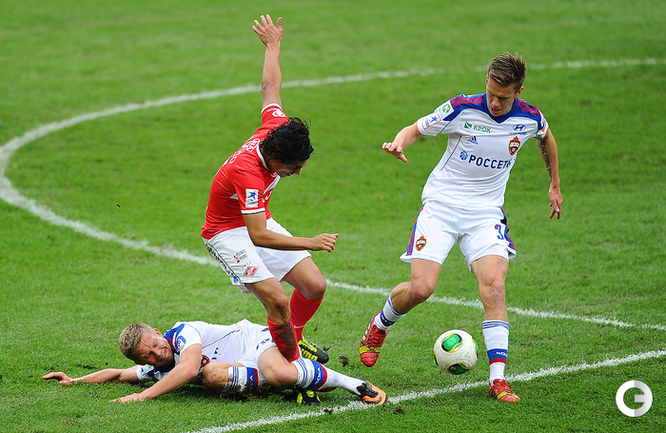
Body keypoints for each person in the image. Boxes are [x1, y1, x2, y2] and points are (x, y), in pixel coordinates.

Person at [358, 53, 562, 403]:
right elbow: (415, 129)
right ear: (486, 82)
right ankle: (380, 324)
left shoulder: (529, 118)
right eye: (491, 93)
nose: (495, 102)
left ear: (519, 91)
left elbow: (546, 138)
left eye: (503, 97)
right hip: (441, 207)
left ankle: (498, 380)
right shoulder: (461, 108)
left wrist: (554, 183)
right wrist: (399, 143)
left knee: (494, 288)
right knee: (422, 288)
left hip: (485, 213)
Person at [201, 14, 338, 369]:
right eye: (294, 168)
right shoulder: (248, 174)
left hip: (255, 219)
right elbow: (258, 236)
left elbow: (270, 88)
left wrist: (273, 45)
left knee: (314, 286)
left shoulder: (277, 126)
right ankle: (294, 368)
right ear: (275, 160)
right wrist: (310, 242)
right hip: (226, 233)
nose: (297, 173)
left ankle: (294, 339)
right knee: (277, 300)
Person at [43, 319, 387, 406]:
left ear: (159, 333)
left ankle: (353, 384)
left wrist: (142, 396)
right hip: (244, 369)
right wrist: (74, 380)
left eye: (155, 345)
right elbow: (119, 374)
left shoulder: (183, 333)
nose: (157, 354)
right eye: (147, 356)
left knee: (276, 373)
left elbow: (187, 368)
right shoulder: (156, 368)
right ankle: (299, 367)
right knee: (216, 376)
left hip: (255, 341)